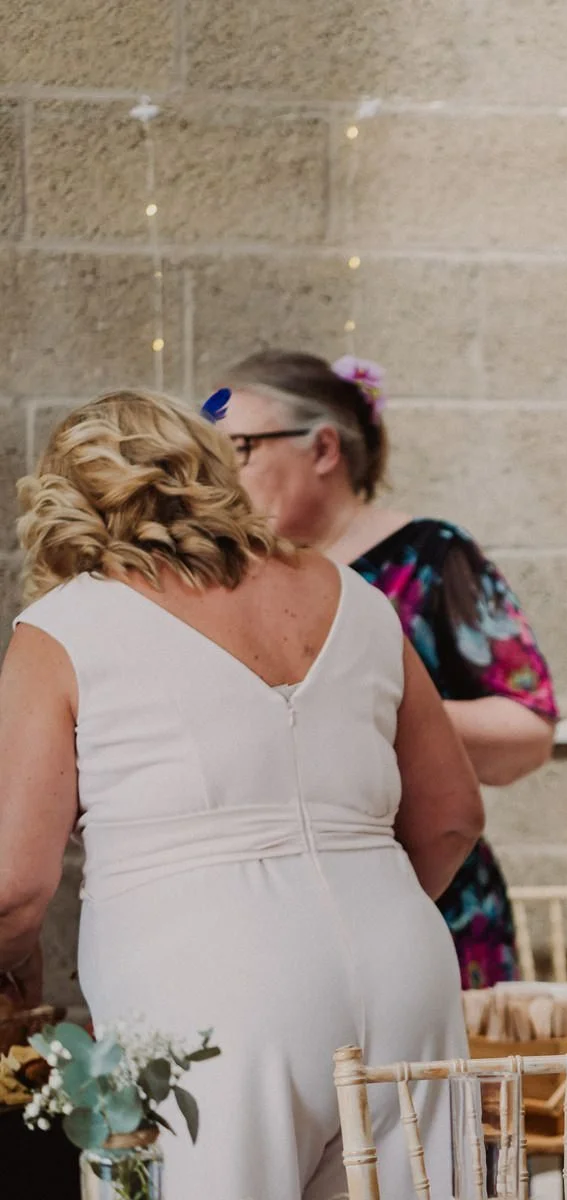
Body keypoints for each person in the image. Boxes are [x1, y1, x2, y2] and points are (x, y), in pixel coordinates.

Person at [0, 389, 482, 1199]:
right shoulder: (355, 597)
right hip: (406, 971)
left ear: (66, 498)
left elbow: (15, 885)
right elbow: (455, 817)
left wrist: (15, 973)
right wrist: (365, 912)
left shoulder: (63, 628)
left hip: (207, 983)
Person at [213, 350, 557, 988]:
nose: (219, 476)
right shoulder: (228, 573)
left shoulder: (430, 557)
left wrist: (381, 712)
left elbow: (527, 731)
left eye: (240, 449)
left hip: (429, 898)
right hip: (278, 916)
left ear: (323, 449)